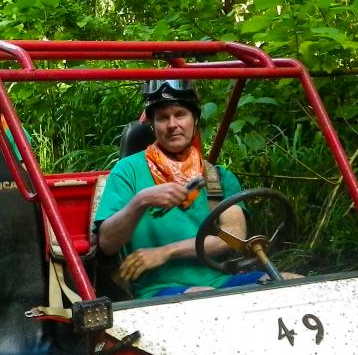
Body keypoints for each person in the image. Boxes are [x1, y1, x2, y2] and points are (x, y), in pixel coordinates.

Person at [94, 80, 268, 298]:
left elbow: (233, 236)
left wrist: (167, 252)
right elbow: (107, 244)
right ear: (153, 125)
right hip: (158, 290)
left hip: (223, 281)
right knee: (203, 298)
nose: (172, 124)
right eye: (162, 117)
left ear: (194, 120)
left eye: (180, 114)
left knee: (292, 282)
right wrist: (141, 201)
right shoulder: (128, 171)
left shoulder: (218, 177)